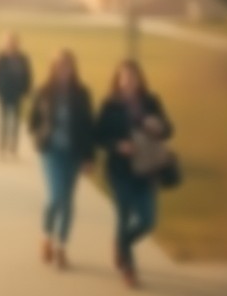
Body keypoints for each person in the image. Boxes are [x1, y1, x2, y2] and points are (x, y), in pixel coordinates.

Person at [93, 59, 174, 290]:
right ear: (117, 81)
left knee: (148, 221)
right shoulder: (110, 104)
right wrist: (118, 146)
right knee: (124, 216)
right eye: (123, 78)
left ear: (140, 79)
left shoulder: (151, 101)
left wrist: (157, 125)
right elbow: (98, 136)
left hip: (147, 170)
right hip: (119, 171)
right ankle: (129, 268)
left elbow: (169, 129)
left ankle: (122, 243)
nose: (128, 82)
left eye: (132, 77)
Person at [26, 49, 96, 271]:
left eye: (67, 66)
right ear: (53, 68)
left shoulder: (82, 93)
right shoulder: (44, 91)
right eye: (59, 66)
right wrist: (39, 136)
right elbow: (32, 120)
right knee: (56, 197)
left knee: (68, 202)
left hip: (74, 153)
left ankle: (62, 247)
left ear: (73, 68)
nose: (63, 70)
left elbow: (88, 127)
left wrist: (89, 157)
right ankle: (47, 236)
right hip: (52, 152)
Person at [0, 31, 33, 160]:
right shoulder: (0, 57)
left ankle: (13, 148)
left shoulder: (23, 58)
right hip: (3, 93)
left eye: (13, 42)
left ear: (17, 44)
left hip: (17, 94)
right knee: (3, 120)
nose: (11, 45)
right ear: (5, 44)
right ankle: (1, 147)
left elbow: (28, 75)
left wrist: (26, 90)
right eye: (8, 42)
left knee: (15, 121)